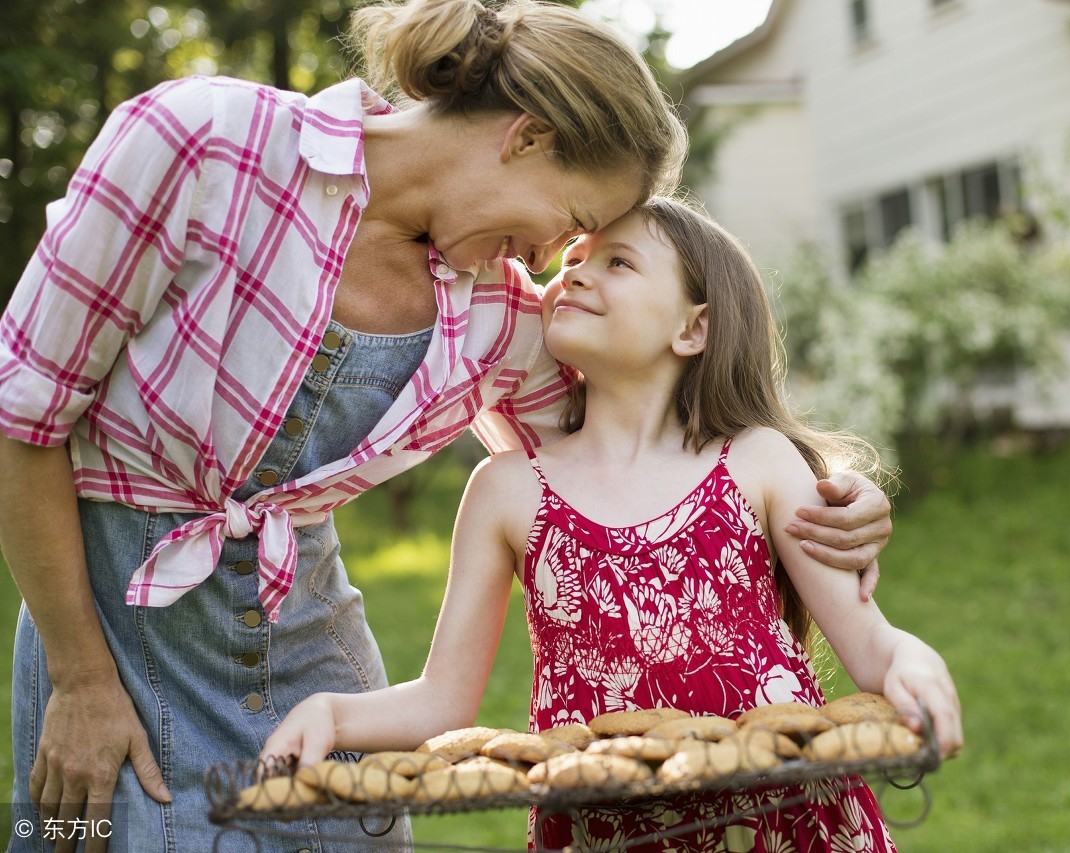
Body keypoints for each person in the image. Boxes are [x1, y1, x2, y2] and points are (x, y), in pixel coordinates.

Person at [0, 1, 894, 850]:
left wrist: (827, 503)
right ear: (527, 136)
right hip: (111, 635)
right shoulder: (201, 145)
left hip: (314, 660)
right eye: (572, 223)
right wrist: (80, 677)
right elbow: (23, 417)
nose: (552, 260)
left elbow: (650, 477)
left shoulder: (506, 321)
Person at [262, 197, 963, 851]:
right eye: (570, 263)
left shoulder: (756, 463)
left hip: (786, 822)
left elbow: (875, 647)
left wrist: (917, 669)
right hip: (608, 833)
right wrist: (334, 712)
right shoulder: (507, 491)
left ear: (693, 327)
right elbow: (443, 701)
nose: (575, 276)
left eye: (617, 262)